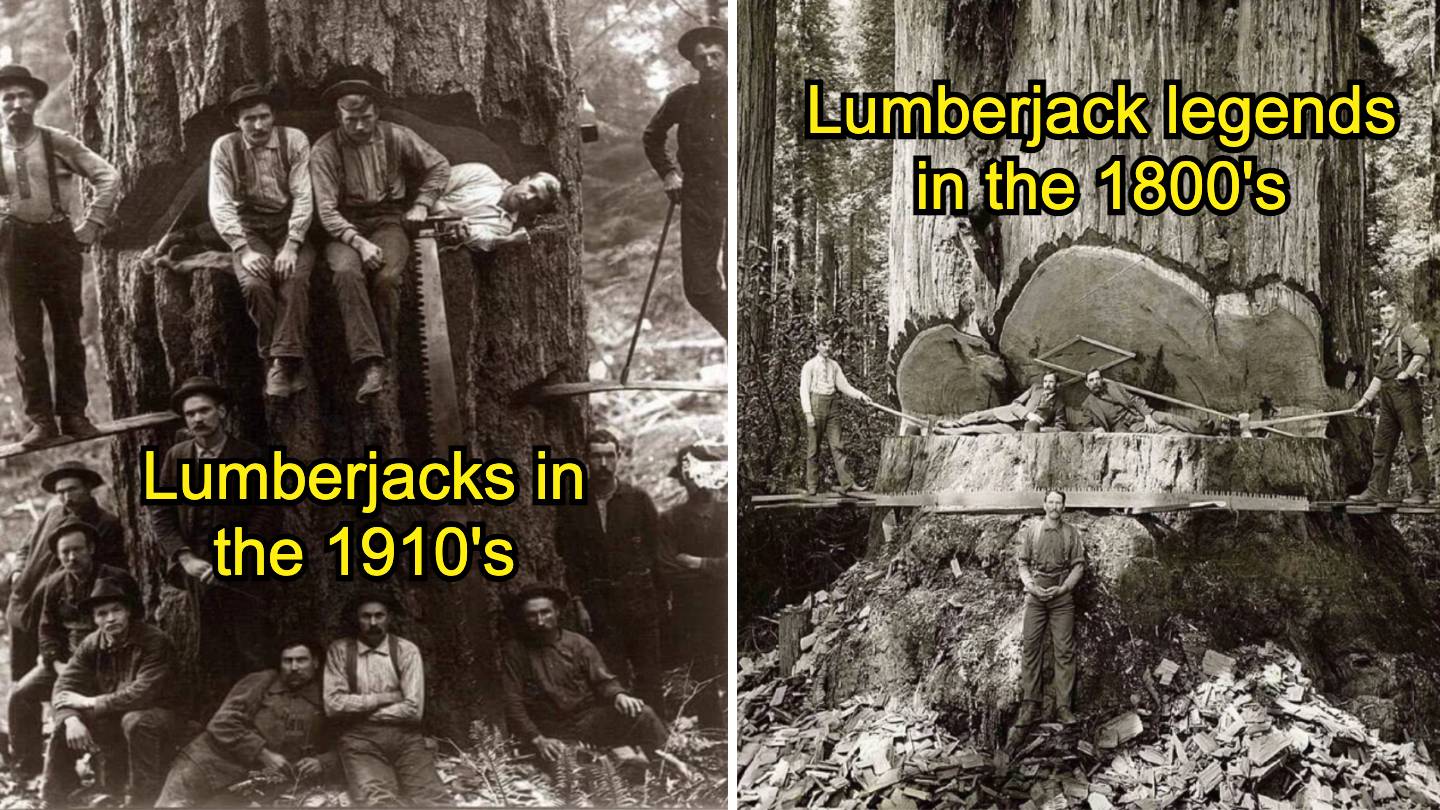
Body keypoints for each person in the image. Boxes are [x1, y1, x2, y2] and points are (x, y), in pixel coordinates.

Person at [310, 77, 451, 403]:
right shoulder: (325, 150)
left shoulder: (396, 136)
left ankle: (384, 355)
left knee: (387, 277)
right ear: (338, 117)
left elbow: (439, 166)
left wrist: (421, 203)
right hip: (343, 226)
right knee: (346, 272)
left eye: (366, 118)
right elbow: (326, 212)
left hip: (389, 220)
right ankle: (370, 363)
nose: (359, 126)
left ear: (377, 113)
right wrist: (359, 243)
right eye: (351, 120)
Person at [0, 64, 119, 447]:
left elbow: (108, 176)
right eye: (7, 100)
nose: (16, 105)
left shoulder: (56, 141)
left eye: (22, 97)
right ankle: (40, 422)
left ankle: (74, 414)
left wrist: (92, 224)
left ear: (35, 101)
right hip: (13, 250)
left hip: (58, 243)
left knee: (68, 334)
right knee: (26, 341)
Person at [147, 376, 278, 699]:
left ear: (221, 412)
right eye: (190, 414)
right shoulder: (176, 457)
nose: (197, 419)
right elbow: (160, 512)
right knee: (210, 650)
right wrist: (184, 557)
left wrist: (235, 556)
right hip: (197, 573)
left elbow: (267, 511)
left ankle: (260, 717)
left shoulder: (249, 456)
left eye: (204, 411)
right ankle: (219, 724)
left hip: (244, 572)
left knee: (251, 646)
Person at [208, 83, 315, 398]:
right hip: (249, 228)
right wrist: (242, 249)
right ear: (236, 122)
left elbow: (304, 195)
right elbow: (220, 202)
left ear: (274, 116)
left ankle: (279, 364)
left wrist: (293, 243)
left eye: (264, 116)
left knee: (294, 279)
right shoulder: (225, 148)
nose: (258, 125)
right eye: (250, 118)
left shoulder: (293, 140)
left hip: (289, 225)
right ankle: (282, 360)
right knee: (255, 284)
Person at [8, 520, 136, 781]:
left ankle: (101, 777)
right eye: (65, 552)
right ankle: (27, 766)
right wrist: (57, 665)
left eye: (77, 549)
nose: (71, 557)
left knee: (87, 715)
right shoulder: (53, 584)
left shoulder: (116, 578)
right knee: (21, 694)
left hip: (109, 664)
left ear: (91, 548)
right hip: (65, 663)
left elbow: (136, 623)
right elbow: (46, 631)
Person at [156, 638, 339, 807]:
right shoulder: (263, 681)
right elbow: (222, 722)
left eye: (301, 660)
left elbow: (350, 738)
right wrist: (262, 752)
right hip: (208, 762)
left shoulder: (328, 695)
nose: (294, 667)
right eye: (287, 661)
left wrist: (323, 762)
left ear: (315, 663)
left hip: (253, 780)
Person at [555, 429, 664, 710]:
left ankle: (657, 737)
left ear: (618, 458)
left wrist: (662, 598)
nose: (603, 464)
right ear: (585, 459)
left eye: (609, 456)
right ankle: (625, 738)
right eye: (596, 456)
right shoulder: (573, 505)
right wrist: (579, 603)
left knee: (648, 671)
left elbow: (657, 551)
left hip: (640, 598)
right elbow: (571, 558)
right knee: (611, 672)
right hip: (600, 604)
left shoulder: (637, 499)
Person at [44, 578, 178, 806]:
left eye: (117, 610)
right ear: (95, 619)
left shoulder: (154, 641)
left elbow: (143, 692)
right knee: (64, 724)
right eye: (102, 613)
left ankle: (142, 800)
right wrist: (70, 720)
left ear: (128, 612)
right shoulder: (91, 643)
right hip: (115, 711)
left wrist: (90, 702)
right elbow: (64, 686)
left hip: (164, 713)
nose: (110, 618)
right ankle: (55, 799)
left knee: (135, 721)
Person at [501, 585, 669, 763]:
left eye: (546, 612)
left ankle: (670, 764)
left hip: (589, 721)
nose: (540, 621)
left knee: (644, 714)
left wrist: (619, 695)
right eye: (532, 615)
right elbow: (513, 701)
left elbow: (603, 681)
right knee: (581, 772)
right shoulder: (515, 652)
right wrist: (537, 739)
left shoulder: (578, 643)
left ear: (557, 612)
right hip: (553, 733)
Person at [6, 461, 125, 707]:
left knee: (54, 672)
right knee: (24, 678)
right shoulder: (52, 514)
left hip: (64, 607)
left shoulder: (105, 523)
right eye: (60, 492)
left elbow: (101, 575)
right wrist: (18, 570)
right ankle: (32, 732)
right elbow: (26, 546)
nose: (66, 498)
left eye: (72, 490)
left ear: (89, 488)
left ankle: (62, 718)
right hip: (27, 599)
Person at [322, 591, 446, 806]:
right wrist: (386, 697)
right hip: (359, 740)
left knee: (432, 797)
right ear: (356, 619)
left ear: (389, 618)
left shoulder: (406, 650)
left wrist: (360, 711)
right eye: (365, 616)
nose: (373, 622)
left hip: (406, 737)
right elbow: (333, 705)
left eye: (379, 616)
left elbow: (413, 710)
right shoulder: (340, 651)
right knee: (377, 800)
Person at [642, 26, 727, 338]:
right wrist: (668, 172)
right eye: (702, 58)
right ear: (694, 64)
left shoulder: (740, 95)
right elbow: (652, 137)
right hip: (698, 193)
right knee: (699, 288)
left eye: (716, 55)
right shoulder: (683, 98)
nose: (709, 62)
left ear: (727, 57)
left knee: (740, 274)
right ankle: (736, 335)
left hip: (735, 191)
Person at [657, 443, 727, 727]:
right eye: (691, 474)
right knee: (702, 669)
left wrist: (699, 563)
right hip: (691, 610)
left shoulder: (727, 513)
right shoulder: (670, 520)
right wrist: (718, 567)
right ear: (683, 479)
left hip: (726, 604)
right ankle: (713, 729)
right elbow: (668, 569)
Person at [1350, 301, 1434, 505]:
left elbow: (1422, 351)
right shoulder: (1386, 341)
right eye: (1383, 313)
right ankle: (1375, 491)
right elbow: (1379, 376)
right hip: (1387, 398)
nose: (1386, 317)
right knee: (1381, 446)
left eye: (1390, 312)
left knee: (1413, 444)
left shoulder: (1406, 333)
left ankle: (1420, 493)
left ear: (1398, 314)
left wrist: (1407, 373)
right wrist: (1364, 400)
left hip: (1405, 394)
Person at [1015, 490, 1086, 728]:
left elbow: (1078, 566)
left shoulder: (1070, 533)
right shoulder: (1032, 532)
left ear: (1064, 507)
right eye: (1051, 502)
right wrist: (1032, 587)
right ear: (1044, 505)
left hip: (1061, 597)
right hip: (1036, 596)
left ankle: (1063, 706)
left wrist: (1064, 588)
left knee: (1064, 650)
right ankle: (1029, 702)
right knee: (1030, 645)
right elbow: (1022, 564)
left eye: (1059, 503)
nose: (1055, 506)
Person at [799, 335, 875, 495]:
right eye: (824, 345)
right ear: (817, 346)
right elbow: (804, 390)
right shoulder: (809, 366)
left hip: (832, 405)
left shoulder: (834, 366)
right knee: (814, 448)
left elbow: (844, 386)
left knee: (837, 445)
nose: (827, 348)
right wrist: (808, 413)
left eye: (829, 345)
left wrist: (861, 395)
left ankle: (847, 484)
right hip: (815, 404)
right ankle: (812, 486)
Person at [433, 163, 560, 252]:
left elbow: (475, 238)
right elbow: (433, 185)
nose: (528, 198)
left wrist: (507, 240)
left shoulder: (503, 227)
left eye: (537, 201)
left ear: (538, 208)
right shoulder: (482, 174)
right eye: (531, 188)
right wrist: (447, 216)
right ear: (524, 180)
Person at [1080, 368, 1216, 435]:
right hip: (1127, 427)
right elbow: (1084, 426)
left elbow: (1135, 400)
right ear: (1087, 384)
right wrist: (1094, 430)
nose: (1095, 382)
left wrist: (1147, 416)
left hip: (1140, 414)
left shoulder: (1114, 387)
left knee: (1167, 417)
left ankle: (1201, 427)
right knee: (1160, 429)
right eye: (1091, 380)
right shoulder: (1087, 404)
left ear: (1101, 379)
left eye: (1097, 379)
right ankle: (1189, 437)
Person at [938, 372, 1068, 434]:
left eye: (1051, 382)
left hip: (1017, 429)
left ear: (1057, 384)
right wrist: (1028, 415)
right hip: (1008, 412)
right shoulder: (1035, 388)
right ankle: (954, 424)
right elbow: (1015, 403)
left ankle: (946, 432)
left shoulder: (1059, 403)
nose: (1047, 385)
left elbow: (1060, 428)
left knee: (977, 429)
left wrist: (1039, 429)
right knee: (978, 416)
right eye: (1045, 381)